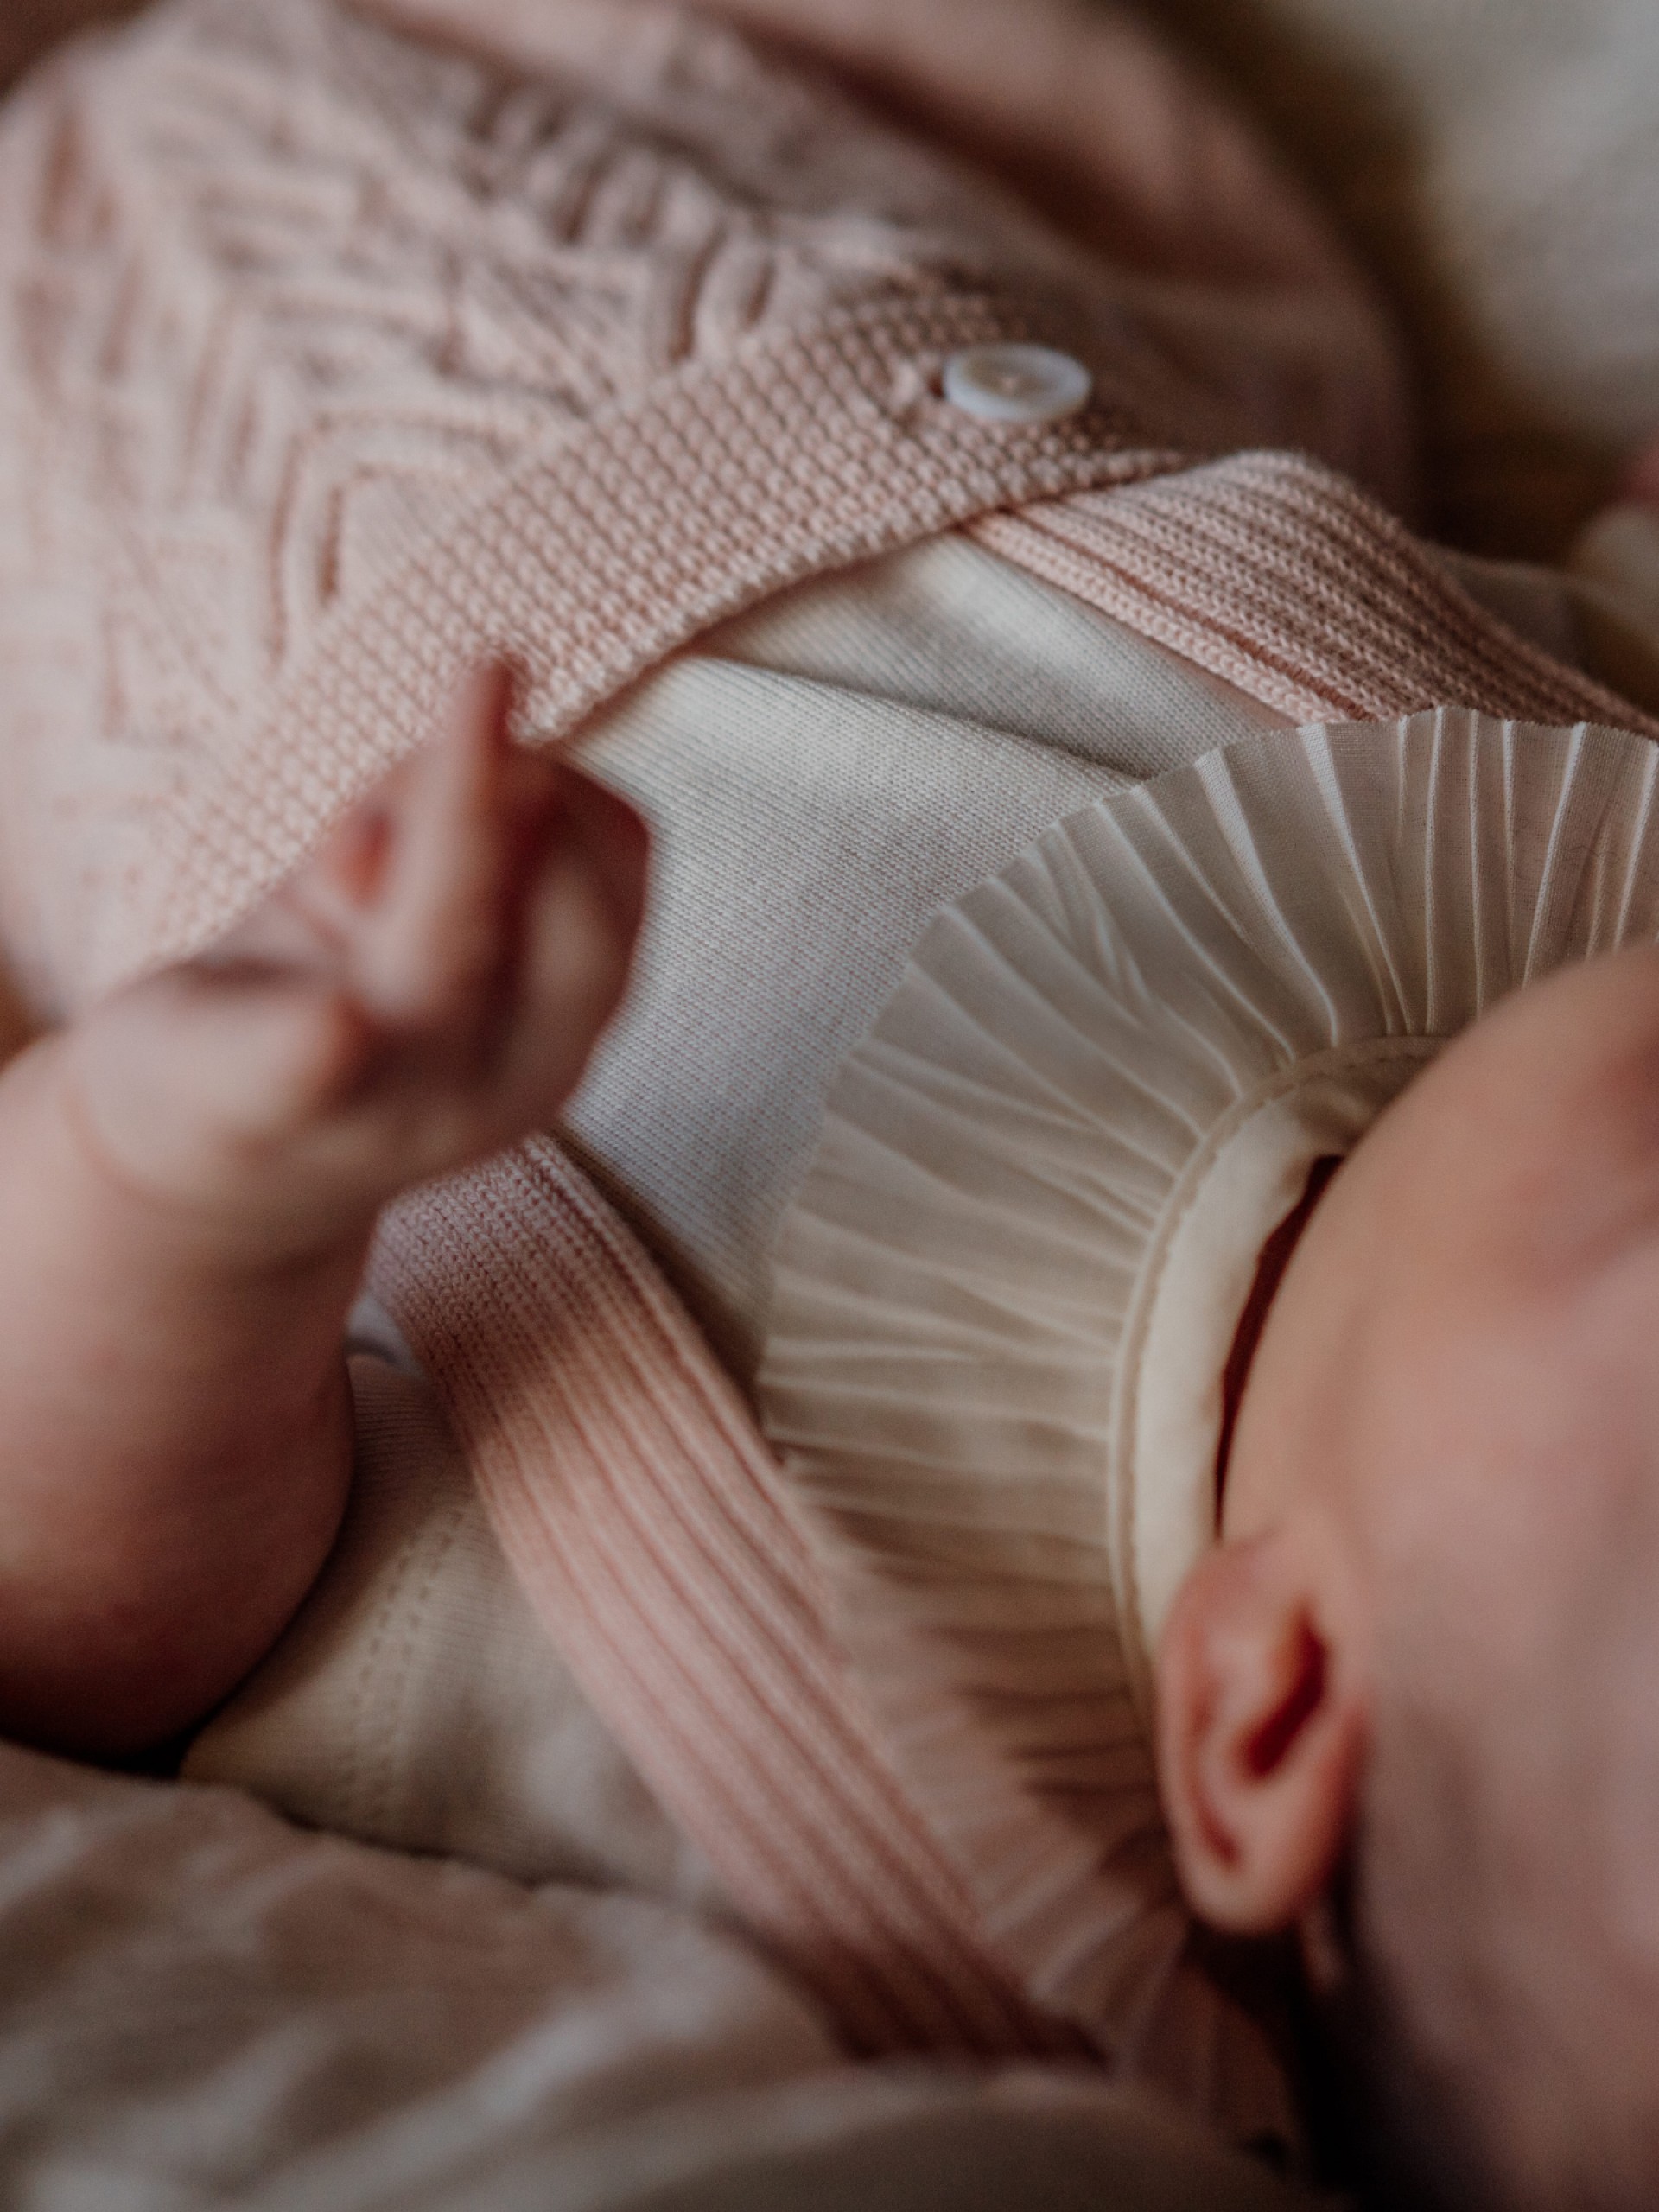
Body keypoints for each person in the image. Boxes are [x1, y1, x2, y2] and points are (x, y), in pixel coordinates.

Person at [3, 0, 1659, 2201]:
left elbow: (86, 1598)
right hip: (769, 156)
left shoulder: (784, 1744)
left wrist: (192, 1177)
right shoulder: (1598, 878)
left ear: (1270, 1709)